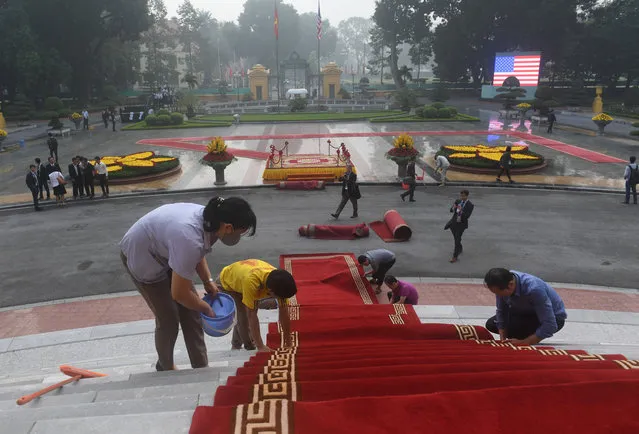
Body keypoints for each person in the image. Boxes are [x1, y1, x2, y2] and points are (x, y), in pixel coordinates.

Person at [119, 197, 257, 371]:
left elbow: (197, 252)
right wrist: (206, 309)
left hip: (168, 249)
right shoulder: (190, 236)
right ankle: (166, 367)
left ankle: (200, 366)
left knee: (192, 312)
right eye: (240, 232)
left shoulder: (211, 220)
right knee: (168, 317)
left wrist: (207, 281)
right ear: (228, 228)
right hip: (143, 255)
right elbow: (180, 294)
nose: (239, 237)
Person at [218, 259, 297, 352]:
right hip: (227, 282)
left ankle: (235, 346)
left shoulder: (278, 281)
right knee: (243, 315)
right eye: (279, 297)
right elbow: (252, 315)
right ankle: (248, 346)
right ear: (270, 291)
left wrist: (288, 343)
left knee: (247, 308)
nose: (281, 299)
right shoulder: (252, 283)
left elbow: (284, 311)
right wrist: (260, 346)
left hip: (242, 278)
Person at [484, 268, 567, 346]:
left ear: (510, 285)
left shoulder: (534, 289)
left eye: (499, 293)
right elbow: (502, 311)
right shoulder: (503, 282)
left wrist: (524, 342)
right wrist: (503, 339)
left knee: (519, 330)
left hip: (551, 318)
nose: (498, 296)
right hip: (524, 312)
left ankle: (525, 336)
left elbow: (550, 324)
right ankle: (523, 334)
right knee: (492, 324)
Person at [445, 189, 474, 263]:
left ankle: (455, 256)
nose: (462, 197)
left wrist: (461, 211)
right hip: (453, 223)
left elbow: (467, 216)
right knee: (456, 238)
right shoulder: (458, 201)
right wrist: (453, 208)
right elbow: (451, 210)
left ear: (467, 196)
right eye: (461, 196)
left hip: (461, 225)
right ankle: (459, 247)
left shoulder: (470, 205)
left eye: (463, 196)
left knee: (457, 240)